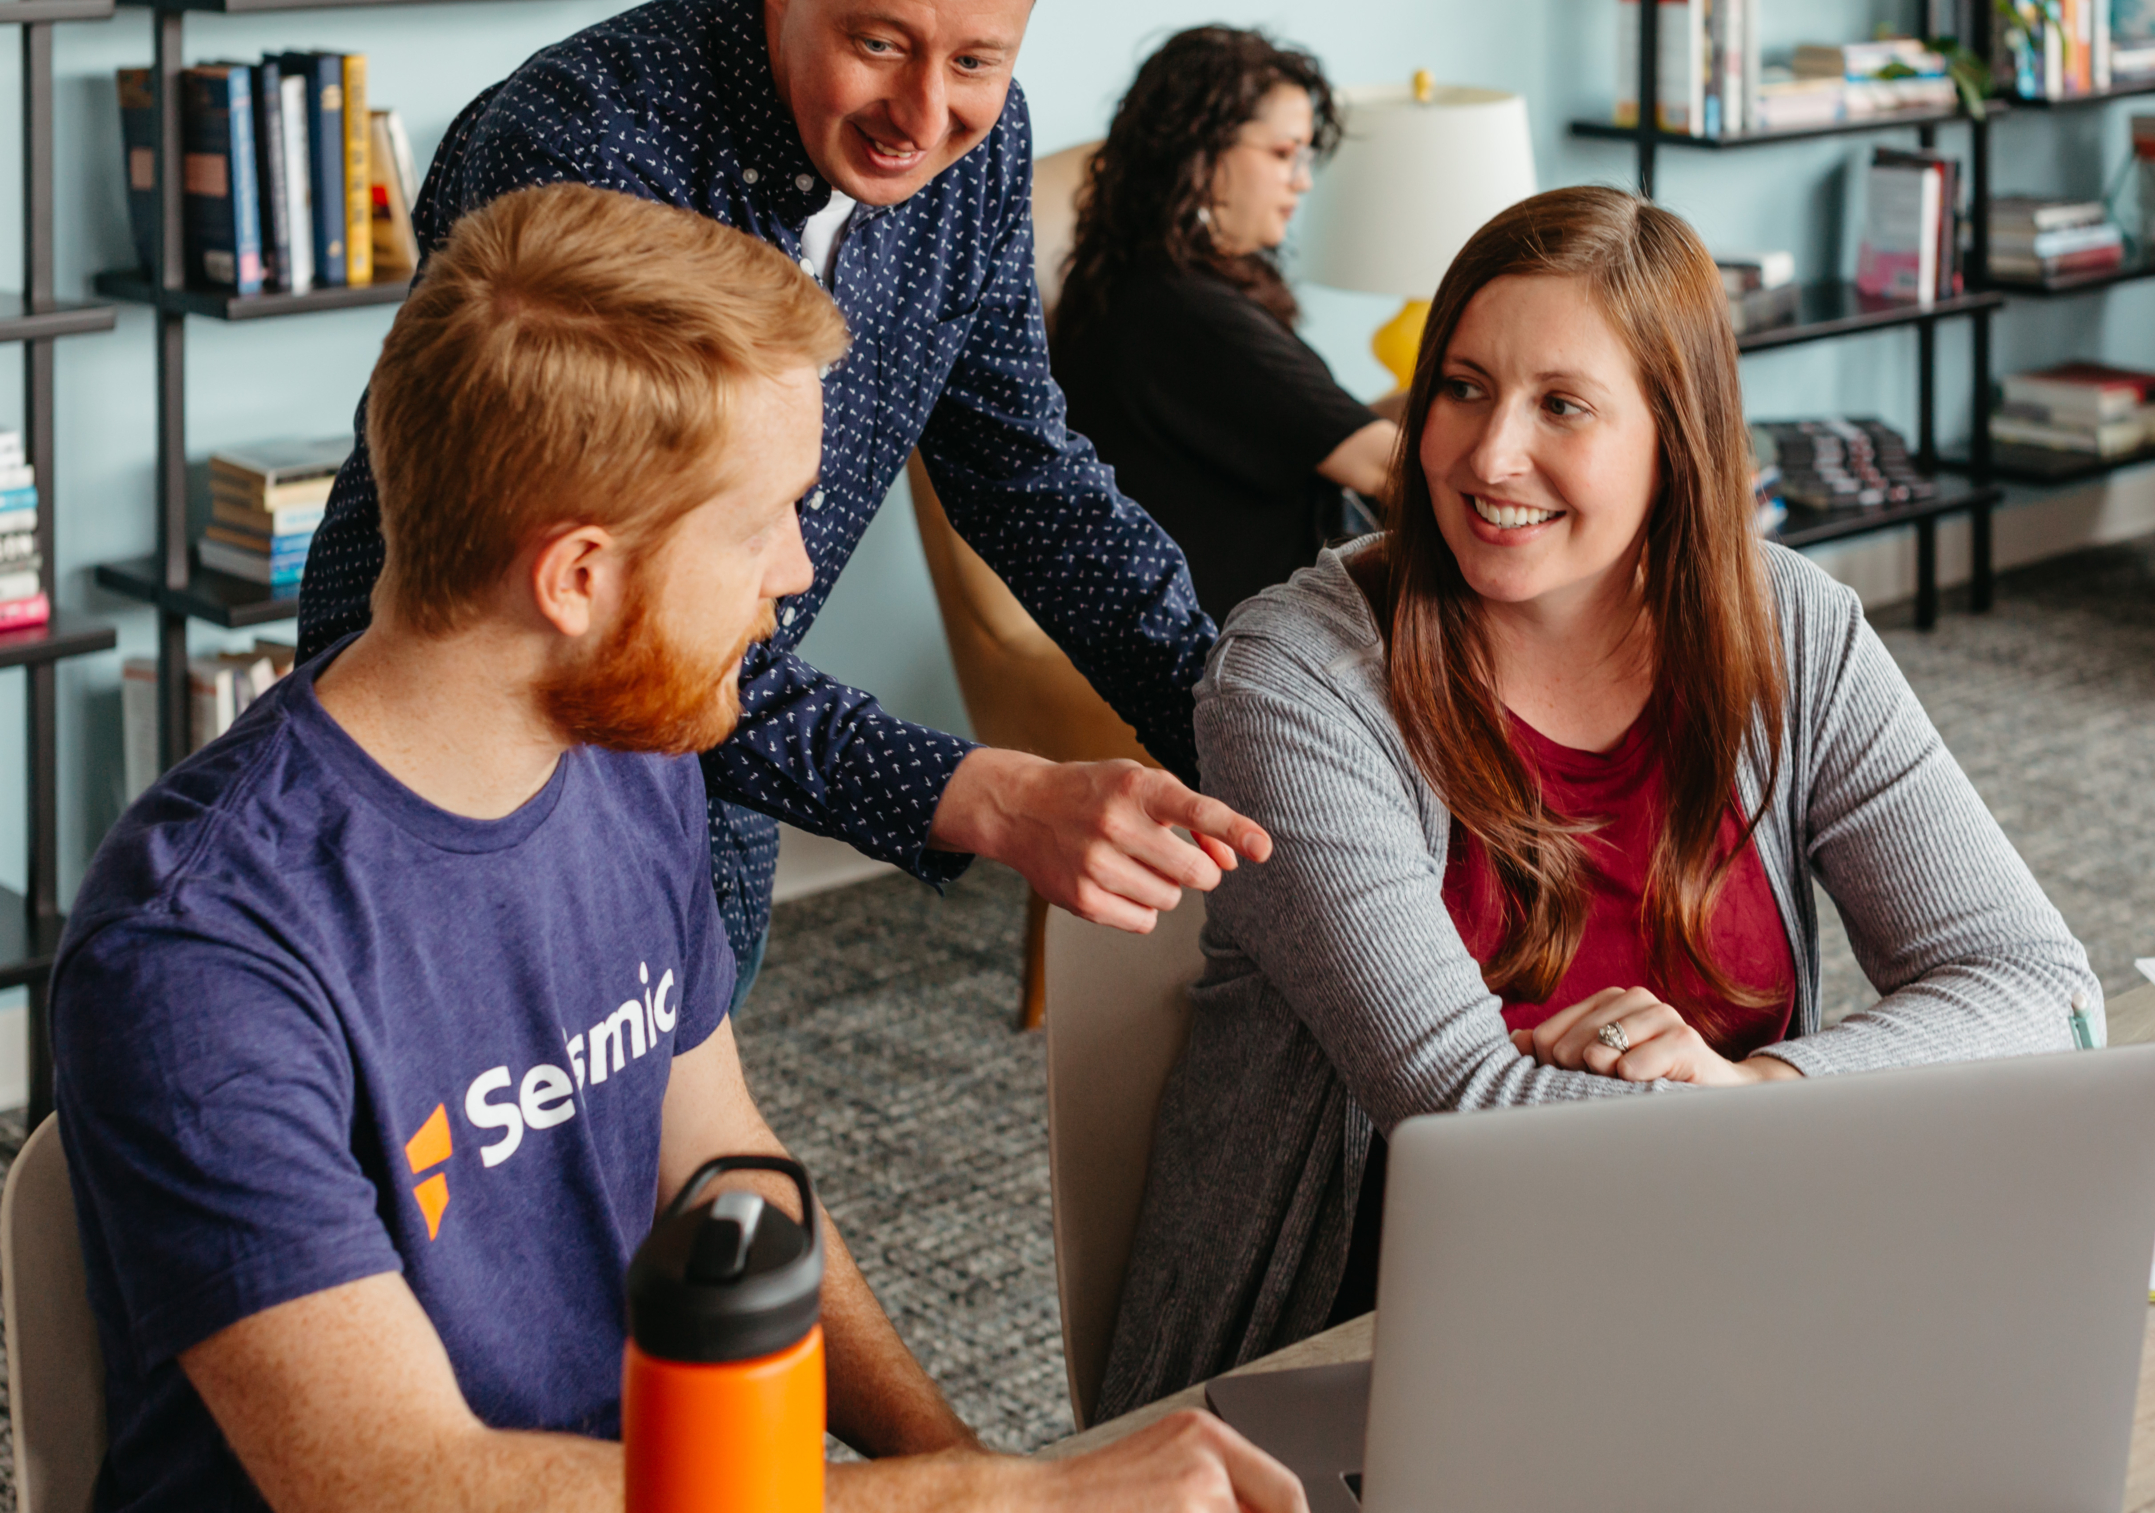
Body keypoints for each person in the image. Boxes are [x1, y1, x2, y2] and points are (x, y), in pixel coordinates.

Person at [53, 184, 1302, 1513]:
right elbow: (394, 1479)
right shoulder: (201, 948)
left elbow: (723, 1174)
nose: (794, 567)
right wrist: (1000, 1504)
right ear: (579, 577)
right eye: (762, 517)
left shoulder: (631, 753)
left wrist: (969, 1463)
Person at [1093, 185, 2155, 1421]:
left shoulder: (1792, 630)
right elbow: (1466, 1114)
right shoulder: (1294, 683)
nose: (1484, 453)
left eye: (1561, 404)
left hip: (1723, 1290)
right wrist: (1836, 1127)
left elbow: (2038, 985)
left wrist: (1763, 1097)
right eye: (1460, 386)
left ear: (1676, 437)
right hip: (1363, 1353)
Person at [295, 0, 1272, 1008]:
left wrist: (1252, 741)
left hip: (721, 736)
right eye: (878, 40)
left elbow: (1024, 471)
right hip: (463, 759)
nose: (924, 116)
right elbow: (595, 605)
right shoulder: (581, 144)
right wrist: (990, 795)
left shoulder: (976, 146)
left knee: (683, 1136)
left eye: (978, 57)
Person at [1052, 27, 1400, 622]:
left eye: (1305, 156)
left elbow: (1296, 428)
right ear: (1202, 151)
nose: (1302, 181)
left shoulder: (1125, 282)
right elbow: (1387, 468)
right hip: (1274, 632)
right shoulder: (1182, 312)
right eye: (1282, 153)